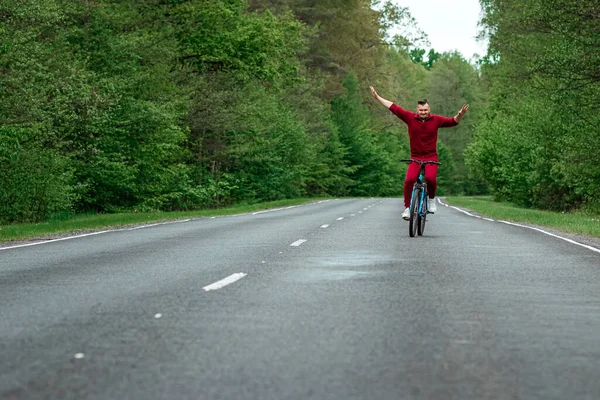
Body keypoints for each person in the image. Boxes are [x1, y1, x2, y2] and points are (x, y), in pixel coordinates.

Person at [369, 86, 469, 220]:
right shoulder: (410, 118)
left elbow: (453, 122)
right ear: (417, 110)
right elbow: (393, 107)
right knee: (409, 180)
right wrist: (377, 97)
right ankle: (407, 208)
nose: (423, 112)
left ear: (429, 110)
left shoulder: (436, 120)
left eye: (425, 110)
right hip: (415, 157)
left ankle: (431, 200)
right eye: (421, 110)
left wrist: (460, 114)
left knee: (430, 178)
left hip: (431, 156)